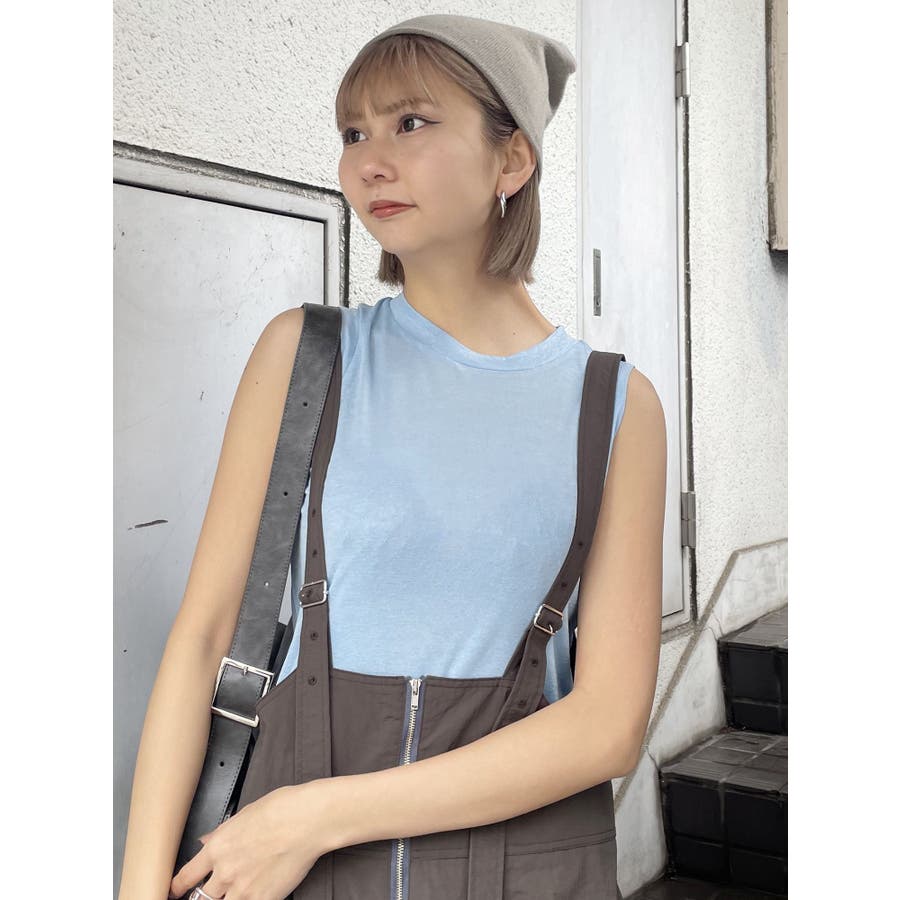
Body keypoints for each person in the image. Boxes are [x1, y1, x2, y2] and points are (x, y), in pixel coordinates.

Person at [118, 14, 665, 900]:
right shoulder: (305, 357)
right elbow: (204, 638)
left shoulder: (615, 408)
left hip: (507, 872)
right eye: (353, 134)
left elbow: (607, 725)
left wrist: (317, 817)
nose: (370, 162)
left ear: (512, 160)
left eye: (410, 123)